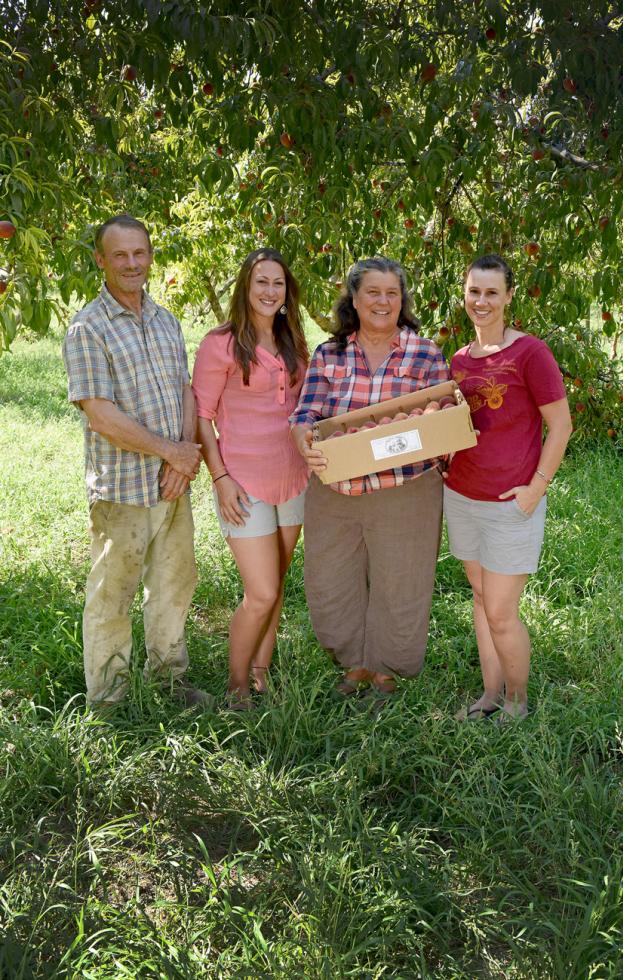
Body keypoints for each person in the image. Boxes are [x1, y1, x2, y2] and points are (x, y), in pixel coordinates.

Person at [62, 214, 211, 712]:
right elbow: (100, 415)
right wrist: (170, 452)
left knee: (173, 584)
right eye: (120, 255)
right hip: (122, 490)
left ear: (150, 256)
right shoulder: (87, 327)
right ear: (100, 261)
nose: (132, 263)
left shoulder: (167, 320)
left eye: (139, 253)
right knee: (113, 596)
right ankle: (110, 700)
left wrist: (184, 459)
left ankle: (170, 682)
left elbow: (186, 392)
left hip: (174, 484)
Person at [290, 256, 449, 703]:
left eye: (392, 293)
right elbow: (308, 412)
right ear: (354, 299)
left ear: (403, 301)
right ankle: (355, 663)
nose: (383, 301)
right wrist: (302, 435)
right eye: (373, 292)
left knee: (401, 580)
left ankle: (386, 669)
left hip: (405, 488)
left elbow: (442, 412)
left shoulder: (424, 352)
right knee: (331, 578)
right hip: (336, 486)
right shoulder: (330, 353)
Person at [443, 253, 572, 721]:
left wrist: (535, 489)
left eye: (491, 292)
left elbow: (561, 426)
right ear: (465, 295)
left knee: (500, 610)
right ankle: (490, 694)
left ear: (509, 296)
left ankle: (517, 701)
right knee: (479, 599)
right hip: (461, 496)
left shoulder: (530, 353)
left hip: (509, 503)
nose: (481, 301)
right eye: (474, 291)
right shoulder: (459, 359)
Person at [191, 248, 309, 710]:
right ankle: (236, 688)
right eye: (261, 281)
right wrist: (219, 478)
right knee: (260, 592)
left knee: (276, 584)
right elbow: (201, 418)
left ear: (286, 293)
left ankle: (262, 677)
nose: (269, 290)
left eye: (278, 283)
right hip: (244, 482)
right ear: (245, 286)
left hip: (294, 478)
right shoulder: (219, 343)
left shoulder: (293, 340)